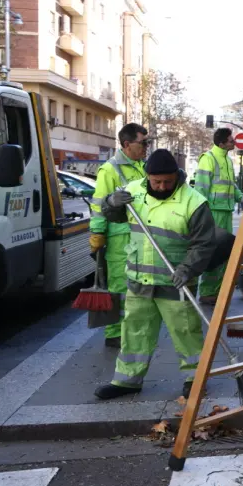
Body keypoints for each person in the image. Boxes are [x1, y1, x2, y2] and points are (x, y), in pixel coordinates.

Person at [94, 149, 217, 400]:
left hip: (175, 281)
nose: (161, 187)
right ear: (148, 177)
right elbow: (115, 215)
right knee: (135, 332)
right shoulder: (134, 190)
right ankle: (127, 380)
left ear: (177, 177)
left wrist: (187, 269)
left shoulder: (193, 202)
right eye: (156, 182)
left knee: (186, 332)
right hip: (139, 279)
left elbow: (203, 244)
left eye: (167, 182)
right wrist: (110, 203)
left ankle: (195, 378)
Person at [89, 123, 149, 348]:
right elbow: (98, 205)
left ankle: (131, 328)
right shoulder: (110, 169)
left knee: (136, 285)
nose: (146, 147)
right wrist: (97, 235)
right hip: (118, 238)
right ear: (127, 144)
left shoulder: (142, 167)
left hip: (139, 236)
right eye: (143, 143)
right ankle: (114, 333)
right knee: (118, 286)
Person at [193, 128, 243, 305]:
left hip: (226, 211)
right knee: (213, 252)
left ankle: (218, 291)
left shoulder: (228, 160)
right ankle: (207, 292)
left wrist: (242, 197)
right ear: (222, 143)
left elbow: (231, 185)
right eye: (231, 140)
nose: (234, 142)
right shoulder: (208, 159)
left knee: (224, 250)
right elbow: (201, 189)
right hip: (213, 212)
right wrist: (203, 213)